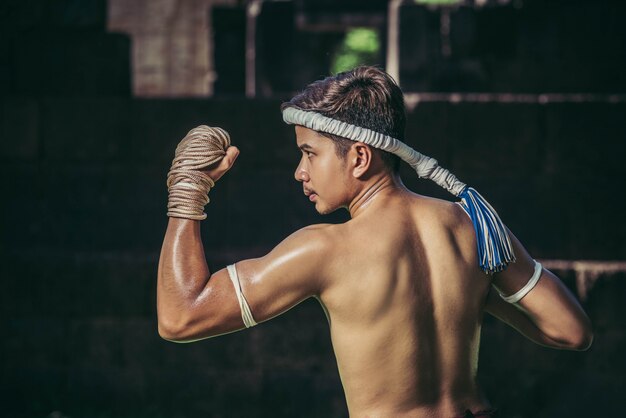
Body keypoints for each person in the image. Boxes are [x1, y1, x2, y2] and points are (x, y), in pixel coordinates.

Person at [157, 66, 593, 418]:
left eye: (309, 153)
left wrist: (187, 191)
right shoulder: (470, 225)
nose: (300, 172)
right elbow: (572, 331)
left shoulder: (324, 250)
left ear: (360, 157)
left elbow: (180, 318)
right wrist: (476, 295)